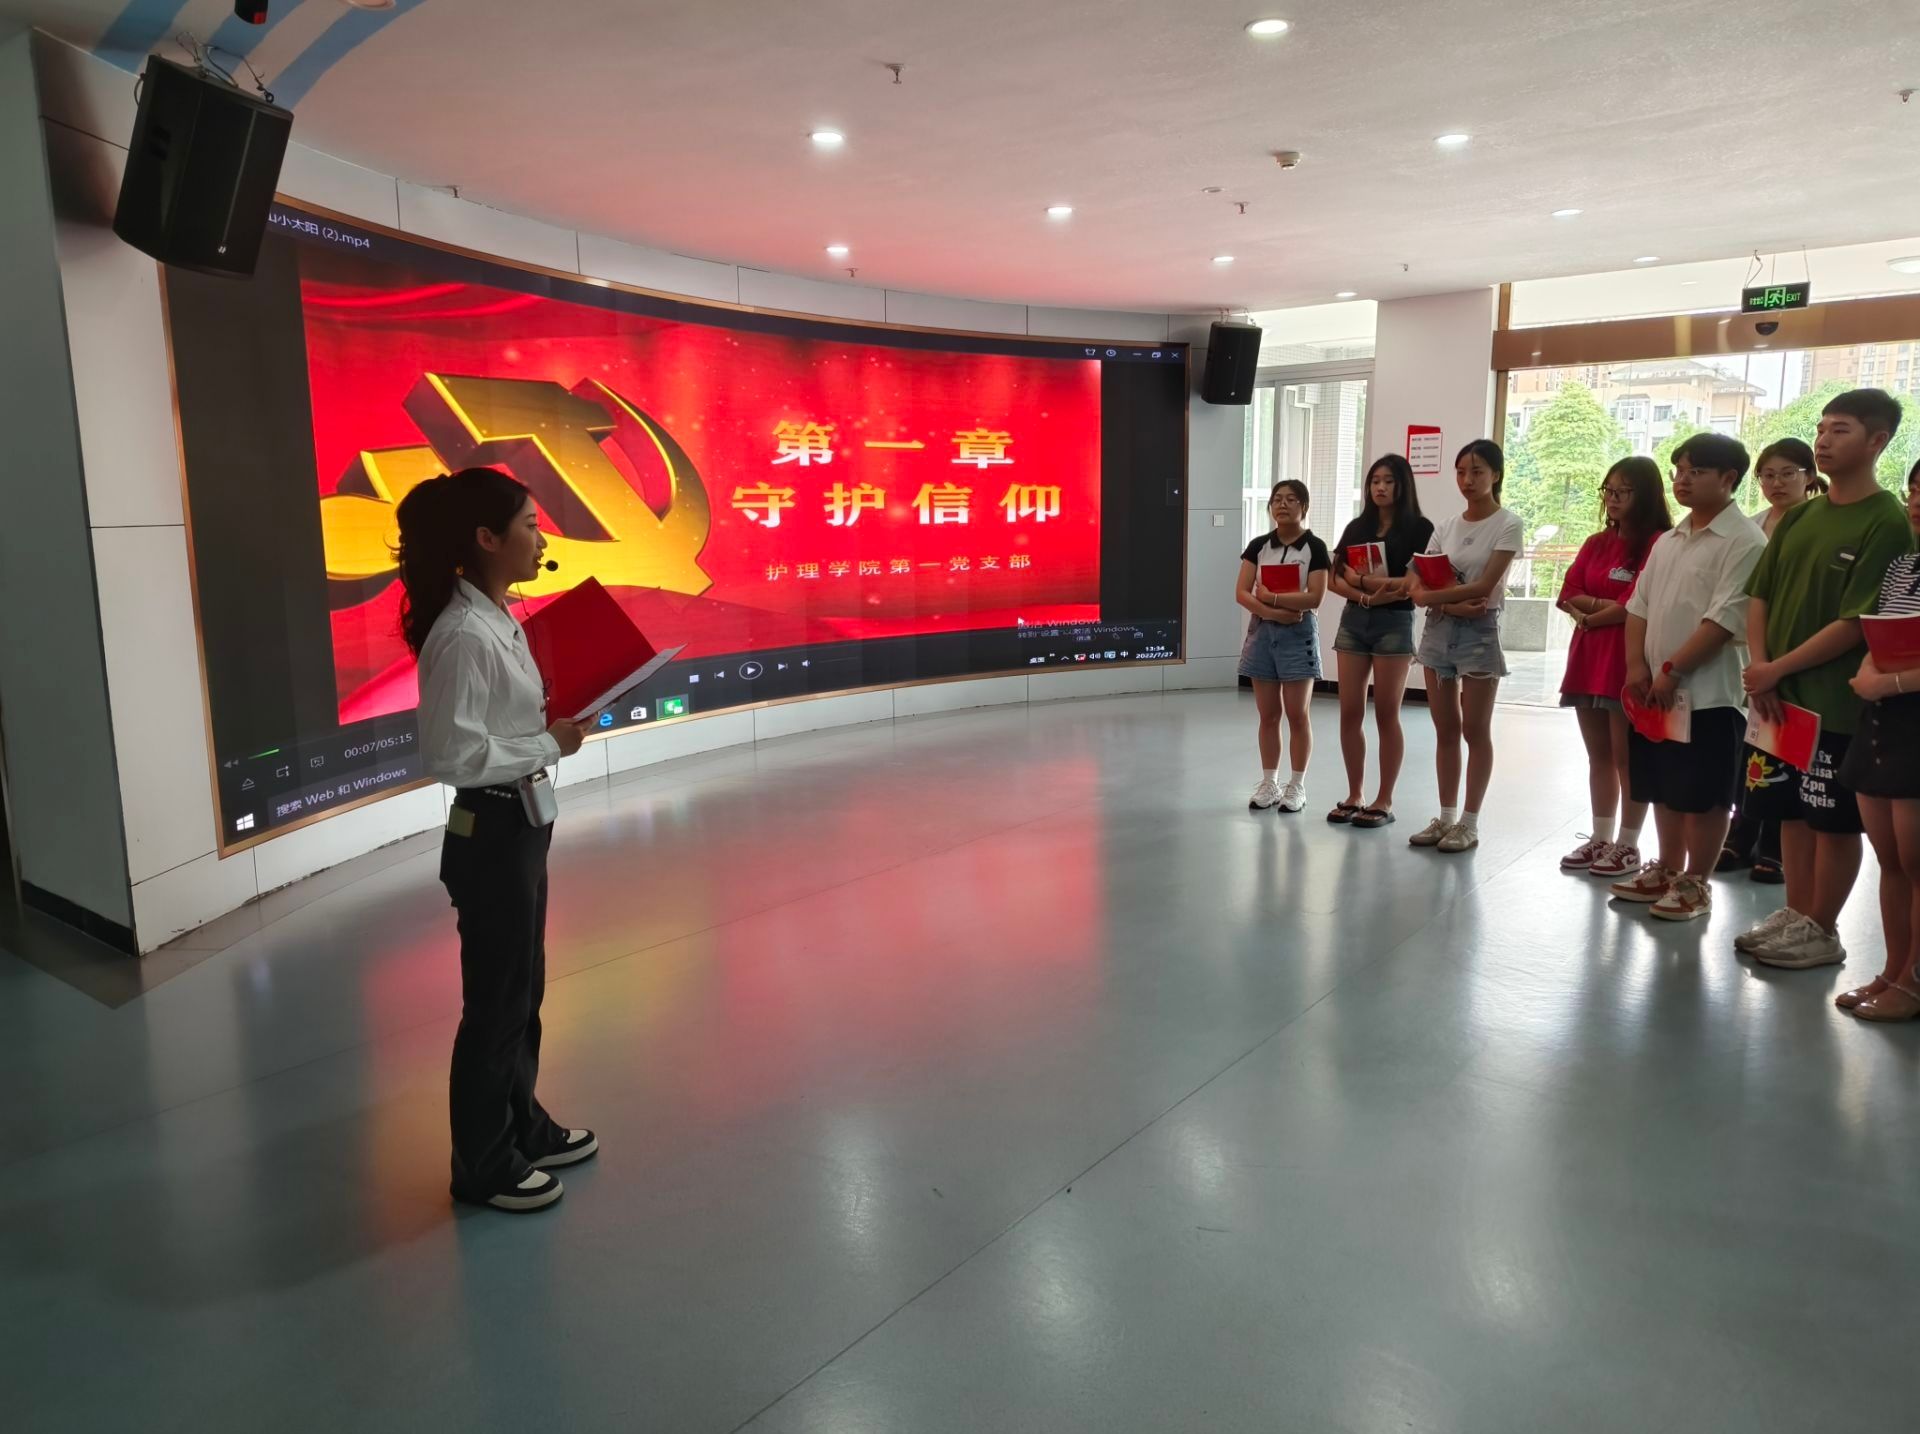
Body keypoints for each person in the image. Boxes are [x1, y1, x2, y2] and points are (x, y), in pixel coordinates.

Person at [397, 466, 597, 1213]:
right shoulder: (461, 635)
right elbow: (451, 756)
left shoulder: (498, 617)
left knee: (522, 991)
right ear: (487, 538)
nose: (541, 538)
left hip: (522, 823)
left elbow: (503, 724)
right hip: (490, 832)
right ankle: (482, 1166)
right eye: (531, 526)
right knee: (496, 1003)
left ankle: (523, 1129)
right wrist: (549, 744)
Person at [1740, 390, 1916, 969]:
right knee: (1789, 810)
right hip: (1776, 699)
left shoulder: (1887, 521)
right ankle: (1798, 913)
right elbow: (1760, 594)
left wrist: (1776, 669)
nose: (1823, 440)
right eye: (1821, 428)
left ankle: (1824, 926)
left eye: (1840, 430)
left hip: (1835, 704)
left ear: (1877, 440)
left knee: (1831, 819)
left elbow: (1858, 622)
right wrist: (1762, 671)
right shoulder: (1802, 515)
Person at [1606, 436, 1766, 921]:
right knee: (1663, 784)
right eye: (1678, 470)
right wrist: (1638, 667)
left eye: (1695, 471)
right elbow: (1638, 607)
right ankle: (1668, 868)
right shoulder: (1670, 539)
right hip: (1657, 691)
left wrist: (1672, 670)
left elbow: (1724, 620)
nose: (1682, 480)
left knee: (1705, 794)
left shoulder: (1745, 541)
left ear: (1728, 478)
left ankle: (1697, 882)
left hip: (1710, 693)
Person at [1556, 457, 1672, 880]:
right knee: (1598, 756)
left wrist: (1593, 612)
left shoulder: (1659, 542)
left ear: (1646, 495)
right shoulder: (1595, 542)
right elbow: (1568, 592)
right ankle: (1601, 836)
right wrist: (1601, 608)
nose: (1613, 499)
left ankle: (1628, 843)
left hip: (1626, 660)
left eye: (1623, 491)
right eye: (1608, 490)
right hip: (1587, 658)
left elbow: (1636, 604)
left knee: (1629, 758)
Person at [1407, 440, 1524, 853]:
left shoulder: (1508, 523)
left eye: (1477, 472)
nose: (1467, 480)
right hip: (1440, 631)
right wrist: (1442, 602)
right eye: (1460, 472)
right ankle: (1446, 816)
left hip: (1479, 632)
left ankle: (1469, 823)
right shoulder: (1446, 525)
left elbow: (1485, 585)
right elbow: (1417, 580)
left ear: (1496, 475)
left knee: (1475, 729)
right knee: (1445, 730)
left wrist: (1431, 597)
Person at [1834, 458, 1920, 1019]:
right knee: (1889, 858)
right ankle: (1893, 970)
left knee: (1917, 861)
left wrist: (1887, 682)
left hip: (1911, 716)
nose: (1918, 500)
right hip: (1882, 717)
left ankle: (1913, 983)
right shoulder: (1903, 567)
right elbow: (1880, 632)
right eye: (1915, 489)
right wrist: (1870, 673)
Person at [1720, 438, 1824, 883]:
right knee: (1756, 748)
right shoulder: (1752, 526)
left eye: (1787, 474)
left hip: (1798, 650)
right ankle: (1741, 833)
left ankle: (1775, 847)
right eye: (1768, 475)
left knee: (1791, 750)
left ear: (1809, 477)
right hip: (1754, 650)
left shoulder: (1817, 523)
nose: (1776, 483)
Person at [1326, 455, 1434, 829]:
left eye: (1388, 481)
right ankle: (1354, 794)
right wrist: (1366, 593)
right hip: (1355, 620)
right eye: (1375, 481)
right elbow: (1334, 578)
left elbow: (1411, 583)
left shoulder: (1420, 528)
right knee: (1350, 711)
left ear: (1402, 485)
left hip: (1395, 622)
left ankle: (1384, 799)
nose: (1380, 487)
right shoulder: (1358, 526)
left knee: (1387, 712)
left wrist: (1362, 582)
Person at [1237, 480, 1331, 813]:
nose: (1283, 504)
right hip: (1263, 633)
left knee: (1297, 714)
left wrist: (1274, 599)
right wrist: (1274, 612)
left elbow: (1315, 597)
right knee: (1268, 715)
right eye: (1277, 499)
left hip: (1298, 634)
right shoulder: (1259, 546)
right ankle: (1270, 782)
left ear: (1303, 507)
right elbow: (1242, 592)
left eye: (1291, 499)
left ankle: (1297, 785)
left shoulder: (1314, 547)